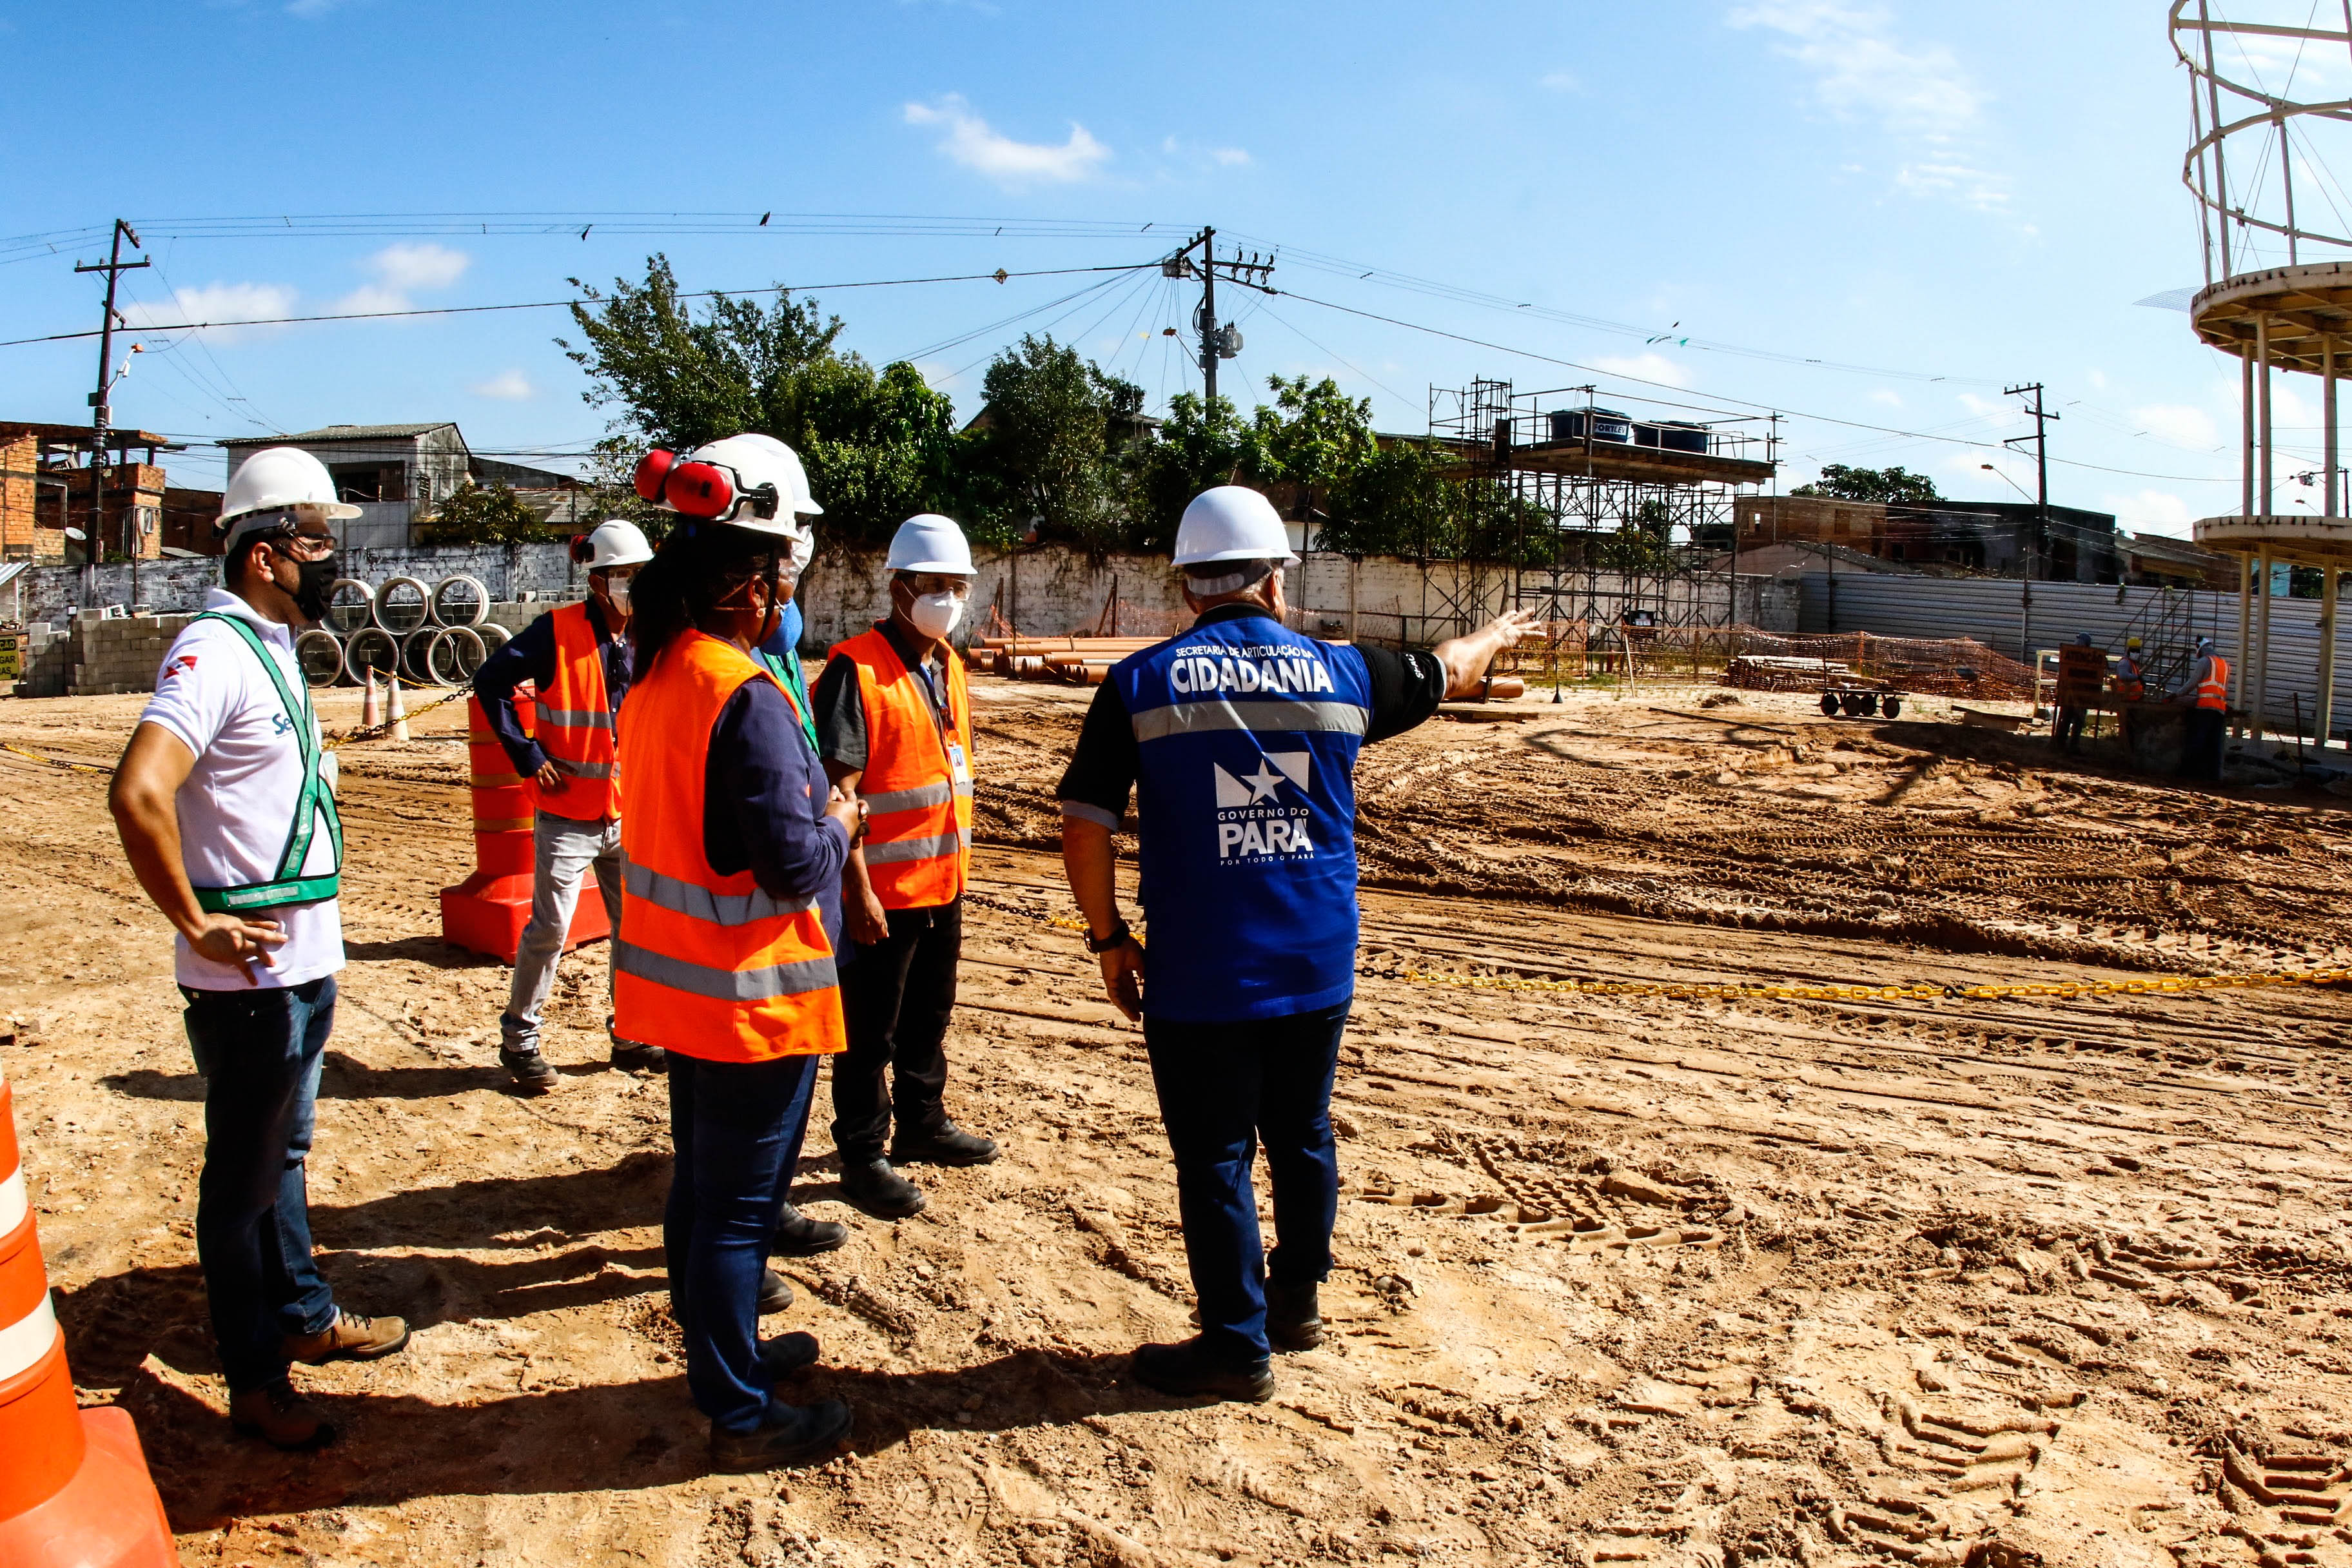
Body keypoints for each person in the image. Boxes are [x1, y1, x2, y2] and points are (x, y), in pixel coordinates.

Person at [1055, 485, 1536, 1402]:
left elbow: (1085, 825)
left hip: (1200, 974)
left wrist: (1110, 940)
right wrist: (1494, 641)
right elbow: (1446, 669)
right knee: (1303, 1131)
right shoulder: (1345, 672)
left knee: (1216, 1156)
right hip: (1317, 962)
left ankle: (1236, 1349)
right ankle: (1298, 1303)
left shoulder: (1140, 684)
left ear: (1190, 587)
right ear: (1278, 579)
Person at [107, 447, 408, 1451]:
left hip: (302, 965)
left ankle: (304, 1318)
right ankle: (254, 1380)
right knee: (239, 1187)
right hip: (251, 983)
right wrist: (194, 920)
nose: (334, 562)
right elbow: (138, 791)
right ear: (269, 556)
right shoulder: (216, 650)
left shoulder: (275, 644)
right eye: (320, 542)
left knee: (283, 1155)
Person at [617, 432, 859, 1471]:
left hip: (687, 992)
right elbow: (796, 863)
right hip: (751, 1003)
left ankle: (735, 1361)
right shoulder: (746, 695)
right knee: (733, 1212)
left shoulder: (668, 671)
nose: (787, 597)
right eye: (783, 576)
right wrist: (843, 816)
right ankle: (738, 1408)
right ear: (751, 587)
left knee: (706, 1196)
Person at [810, 513, 994, 1220]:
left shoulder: (947, 661)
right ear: (898, 585)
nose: (947, 597)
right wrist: (856, 891)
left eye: (957, 585)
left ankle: (923, 1121)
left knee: (929, 1015)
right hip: (881, 892)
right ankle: (863, 1151)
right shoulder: (857, 668)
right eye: (935, 585)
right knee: (869, 1031)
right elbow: (839, 793)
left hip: (943, 882)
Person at [473, 518, 660, 1092]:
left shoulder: (646, 635)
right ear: (597, 581)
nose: (632, 586)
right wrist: (528, 757)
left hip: (623, 810)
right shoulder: (553, 633)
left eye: (638, 575)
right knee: (550, 927)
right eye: (623, 576)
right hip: (566, 813)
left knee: (633, 928)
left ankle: (629, 1033)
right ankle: (520, 1037)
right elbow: (491, 683)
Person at [2175, 634, 2231, 781]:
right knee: (2215, 745)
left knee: (2197, 741)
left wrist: (2177, 695)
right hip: (2220, 709)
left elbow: (2193, 683)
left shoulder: (2205, 661)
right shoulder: (2224, 664)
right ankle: (2213, 777)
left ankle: (2187, 773)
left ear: (2199, 648)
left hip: (2205, 708)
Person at [2053, 631, 2102, 754]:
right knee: (2077, 720)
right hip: (2080, 695)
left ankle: (2061, 743)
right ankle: (2071, 746)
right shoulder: (2091, 657)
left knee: (2067, 718)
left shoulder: (2069, 654)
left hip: (2070, 693)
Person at [2115, 637, 2147, 703]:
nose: (2136, 653)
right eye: (2133, 651)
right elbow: (2123, 676)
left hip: (2134, 699)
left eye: (2137, 651)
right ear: (2129, 651)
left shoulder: (2132, 663)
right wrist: (2137, 677)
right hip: (2127, 699)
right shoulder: (2125, 663)